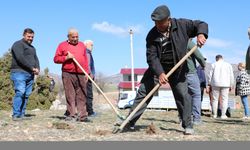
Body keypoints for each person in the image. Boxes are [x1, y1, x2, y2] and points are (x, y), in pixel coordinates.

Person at [120, 5, 208, 135]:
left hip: (178, 68)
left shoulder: (182, 25)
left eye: (160, 22)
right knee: (143, 92)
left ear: (168, 19)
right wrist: (160, 73)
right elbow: (151, 57)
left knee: (183, 96)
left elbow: (201, 24)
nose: (157, 25)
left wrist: (201, 34)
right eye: (155, 22)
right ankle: (130, 121)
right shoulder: (152, 35)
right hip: (157, 68)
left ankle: (187, 125)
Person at [54, 28, 91, 122]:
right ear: (68, 37)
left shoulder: (82, 45)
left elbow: (85, 59)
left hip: (81, 73)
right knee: (70, 94)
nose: (75, 39)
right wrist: (66, 57)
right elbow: (56, 59)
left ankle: (82, 116)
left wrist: (87, 72)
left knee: (82, 94)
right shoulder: (62, 45)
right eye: (73, 37)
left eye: (77, 37)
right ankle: (71, 115)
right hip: (68, 73)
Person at [10, 28, 40, 121]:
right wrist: (32, 68)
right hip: (19, 72)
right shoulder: (17, 44)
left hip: (30, 74)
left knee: (26, 94)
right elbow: (20, 58)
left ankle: (22, 114)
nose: (30, 38)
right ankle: (16, 115)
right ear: (24, 35)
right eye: (29, 36)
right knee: (20, 92)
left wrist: (38, 69)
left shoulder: (32, 48)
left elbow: (36, 59)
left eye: (32, 37)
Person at [207, 55, 234, 119]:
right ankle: (223, 115)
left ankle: (215, 114)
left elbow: (210, 75)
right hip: (226, 84)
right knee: (225, 99)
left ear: (216, 59)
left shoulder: (213, 64)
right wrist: (231, 84)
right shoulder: (228, 65)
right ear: (222, 58)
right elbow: (231, 75)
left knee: (215, 99)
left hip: (215, 84)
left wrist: (209, 83)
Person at [186, 40, 206, 125]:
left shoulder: (175, 41)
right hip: (190, 72)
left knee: (184, 96)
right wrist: (203, 64)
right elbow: (199, 56)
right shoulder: (188, 42)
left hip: (178, 74)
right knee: (196, 95)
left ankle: (182, 118)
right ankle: (196, 119)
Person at [84, 40, 96, 117]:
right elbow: (87, 65)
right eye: (91, 45)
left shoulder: (88, 53)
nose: (92, 47)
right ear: (86, 45)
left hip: (88, 76)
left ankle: (88, 111)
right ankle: (90, 112)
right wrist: (89, 74)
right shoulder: (87, 53)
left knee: (87, 94)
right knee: (89, 94)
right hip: (87, 77)